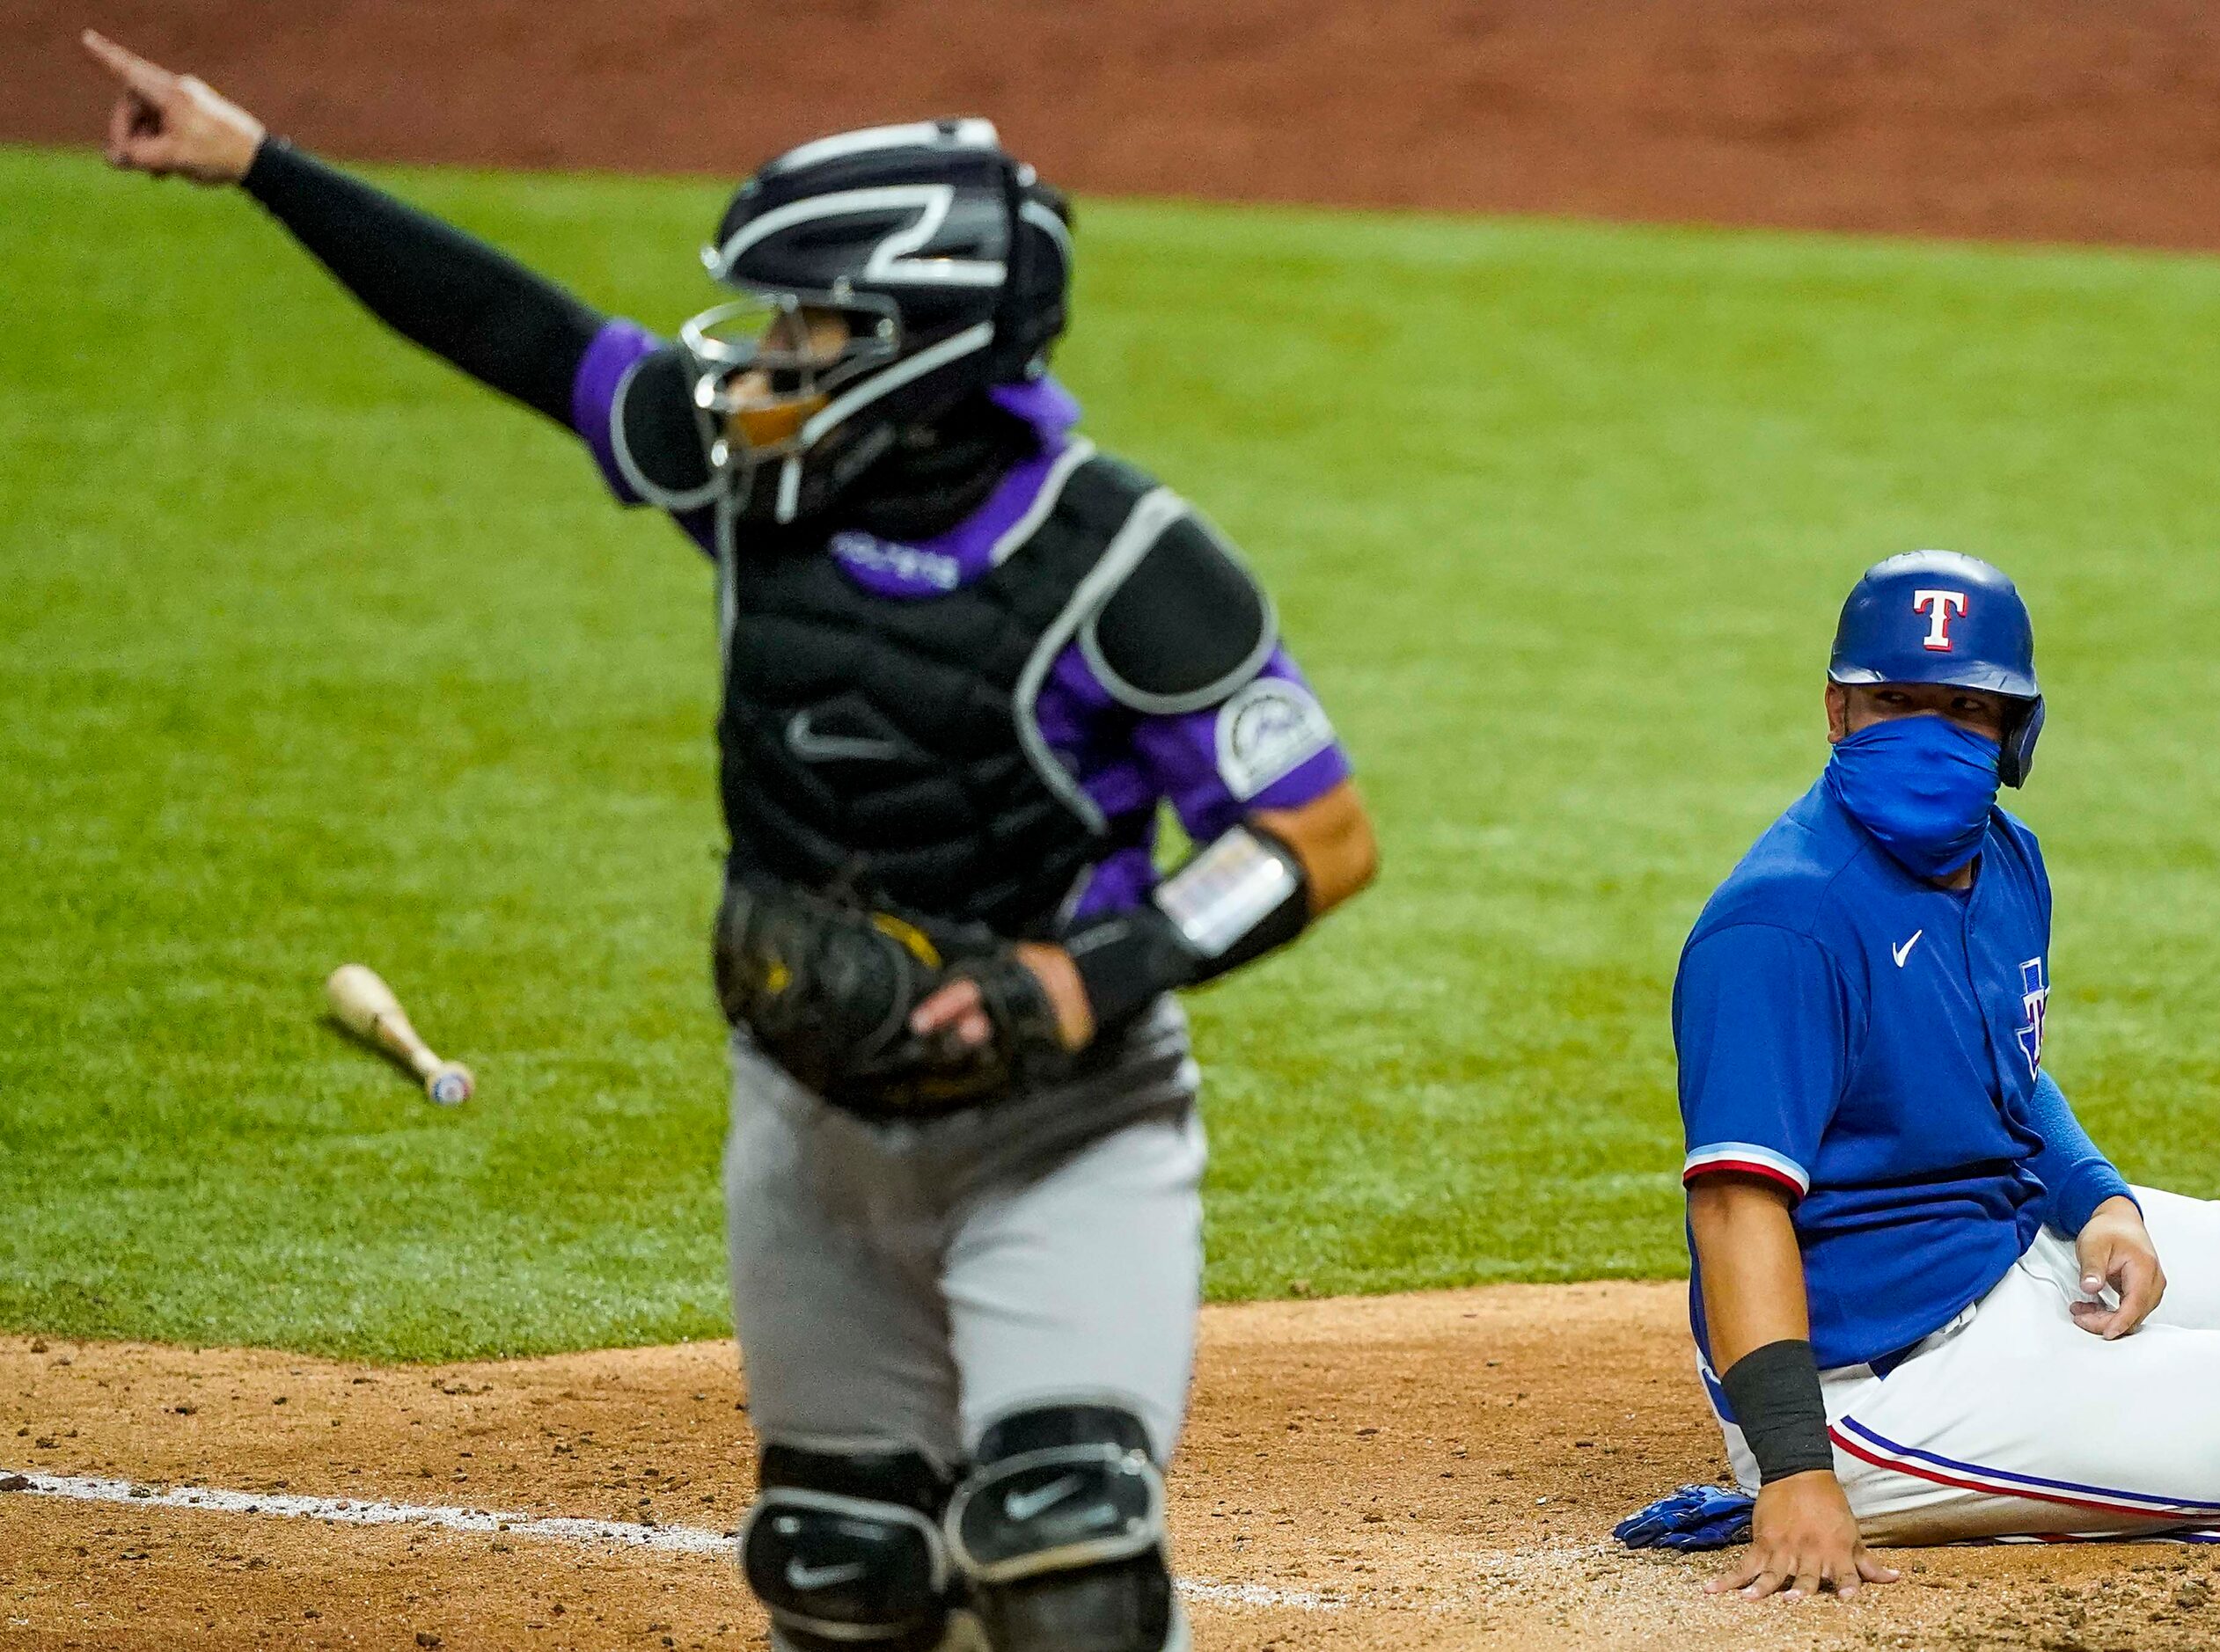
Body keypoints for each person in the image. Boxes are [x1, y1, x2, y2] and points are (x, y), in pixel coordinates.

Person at [81, 32, 1378, 1652]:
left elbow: (1314, 833)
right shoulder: (754, 477)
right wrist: (259, 162)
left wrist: (1087, 968)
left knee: (1070, 1563)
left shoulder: (1127, 561)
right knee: (842, 1573)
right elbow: (518, 333)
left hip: (1062, 1129)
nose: (763, 357)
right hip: (808, 1126)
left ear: (917, 348)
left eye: (806, 325)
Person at [1667, 549, 2220, 1599]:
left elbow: (2004, 1067)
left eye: (1965, 707)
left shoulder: (2008, 859)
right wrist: (1797, 1467)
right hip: (1881, 1383)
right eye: (1894, 700)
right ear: (1835, 711)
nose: (1926, 733)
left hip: (2007, 1253)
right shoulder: (1782, 921)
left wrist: (2102, 1202)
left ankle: (2095, 1423)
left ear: (2016, 729)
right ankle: (1936, 1481)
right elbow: (1733, 1204)